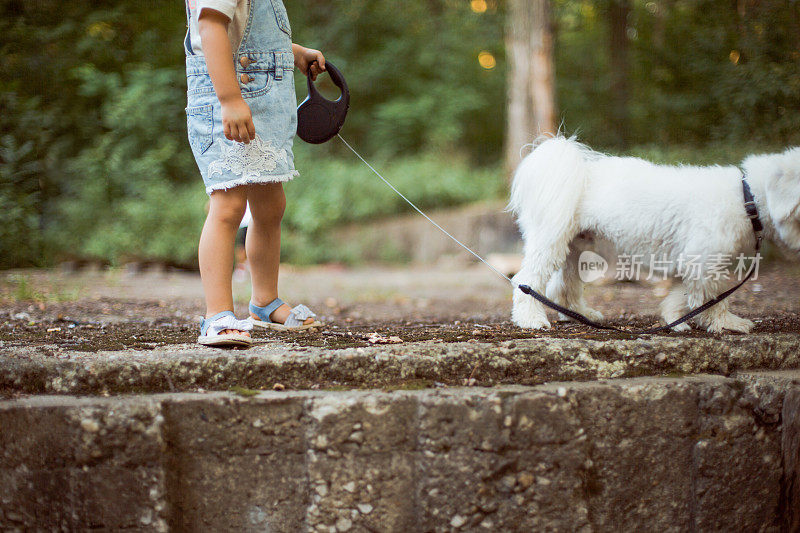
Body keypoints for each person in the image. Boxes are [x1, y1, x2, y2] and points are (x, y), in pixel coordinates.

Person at [185, 0, 323, 347]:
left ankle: (265, 302)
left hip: (266, 105)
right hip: (226, 102)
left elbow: (247, 35)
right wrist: (230, 98)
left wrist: (294, 53)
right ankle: (217, 313)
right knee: (228, 206)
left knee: (271, 204)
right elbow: (212, 27)